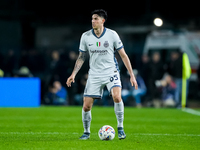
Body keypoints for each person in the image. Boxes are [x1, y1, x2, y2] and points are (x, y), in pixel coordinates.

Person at [66, 9, 138, 140]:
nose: (93, 21)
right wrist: (73, 74)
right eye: (92, 19)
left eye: (96, 19)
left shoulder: (112, 35)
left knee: (117, 97)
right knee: (86, 105)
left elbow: (123, 55)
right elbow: (81, 57)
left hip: (111, 71)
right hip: (94, 74)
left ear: (102, 21)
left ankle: (120, 128)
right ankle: (86, 132)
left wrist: (132, 74)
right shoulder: (86, 36)